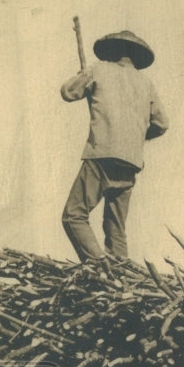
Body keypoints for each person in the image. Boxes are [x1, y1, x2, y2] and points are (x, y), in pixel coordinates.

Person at [61, 30, 168, 262]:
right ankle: (122, 273)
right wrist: (136, 135)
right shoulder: (146, 83)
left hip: (102, 155)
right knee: (116, 227)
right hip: (131, 162)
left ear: (113, 51)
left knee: (73, 215)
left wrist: (82, 76)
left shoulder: (98, 70)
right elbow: (162, 123)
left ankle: (100, 266)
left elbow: (68, 92)